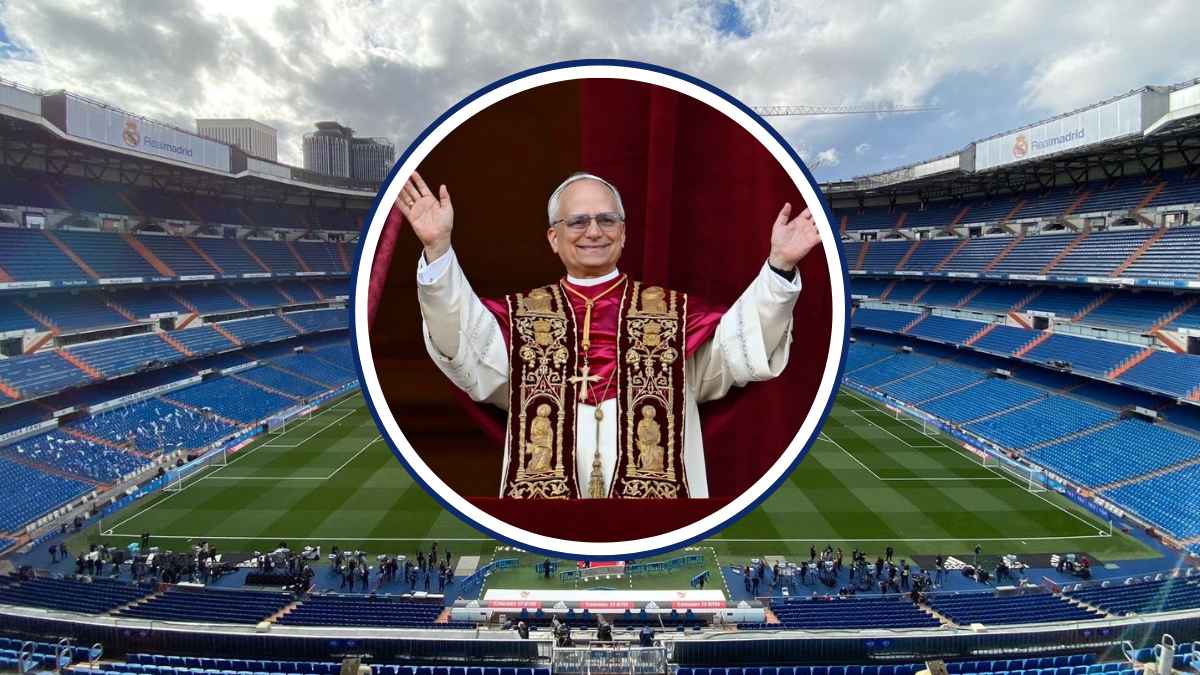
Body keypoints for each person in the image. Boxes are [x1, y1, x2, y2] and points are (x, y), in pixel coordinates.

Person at [402, 171, 819, 499]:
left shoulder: (675, 316)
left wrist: (779, 267)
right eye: (578, 221)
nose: (594, 231)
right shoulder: (520, 316)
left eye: (607, 219)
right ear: (553, 237)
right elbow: (465, 347)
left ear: (623, 233)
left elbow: (737, 351)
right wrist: (438, 252)